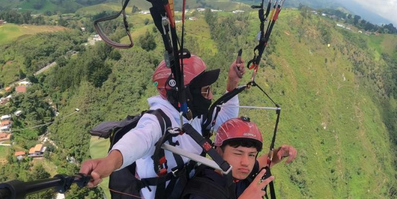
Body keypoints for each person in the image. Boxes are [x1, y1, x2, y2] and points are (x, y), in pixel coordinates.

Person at [80, 52, 246, 199]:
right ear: (185, 94)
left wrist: (232, 82)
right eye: (205, 91)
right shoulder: (156, 121)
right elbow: (137, 140)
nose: (210, 97)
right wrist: (109, 163)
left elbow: (224, 122)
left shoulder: (191, 115)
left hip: (186, 189)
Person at [181, 116, 297, 199]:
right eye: (238, 153)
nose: (246, 162)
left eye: (251, 155)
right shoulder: (204, 191)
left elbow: (262, 162)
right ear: (219, 152)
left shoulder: (237, 173)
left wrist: (279, 154)